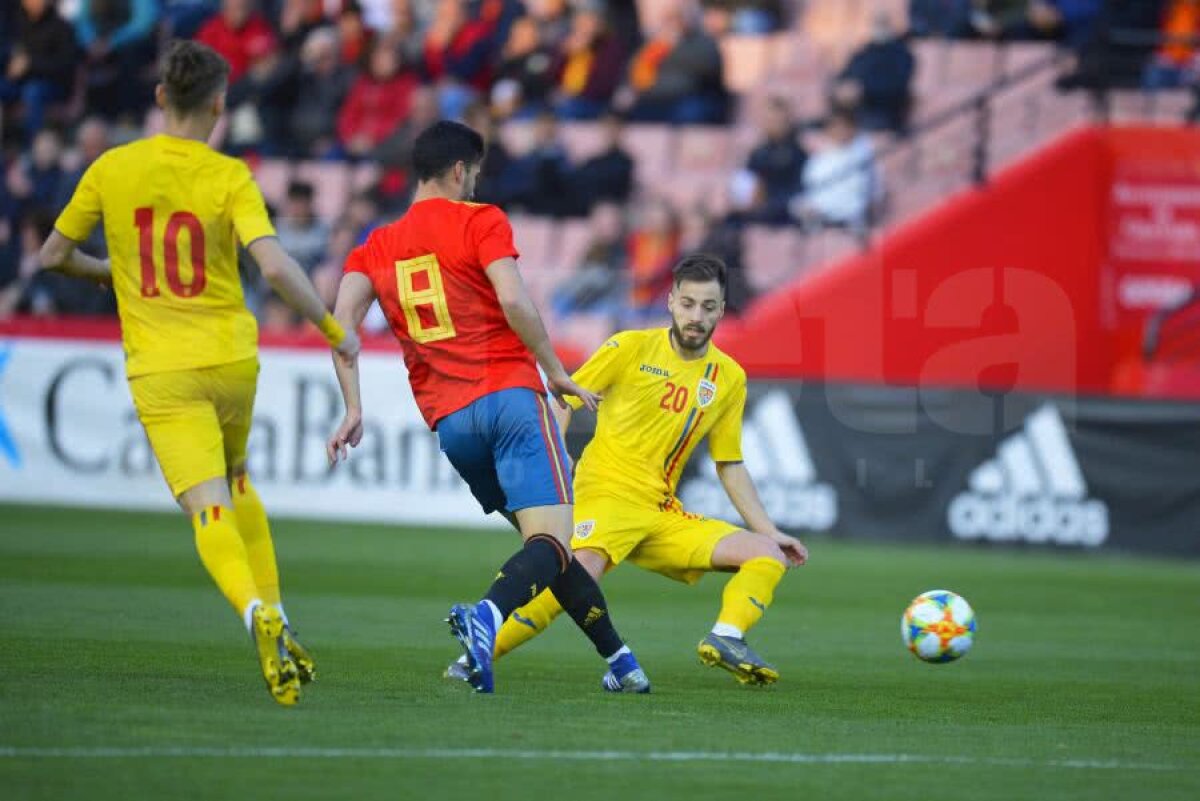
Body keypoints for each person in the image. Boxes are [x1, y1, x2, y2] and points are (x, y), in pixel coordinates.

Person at [37, 40, 361, 707]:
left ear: (161, 97)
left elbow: (50, 256)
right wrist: (334, 329)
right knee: (240, 479)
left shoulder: (112, 167)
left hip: (162, 367)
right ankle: (284, 614)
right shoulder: (228, 175)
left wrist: (112, 273)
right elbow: (273, 267)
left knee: (206, 504)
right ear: (219, 103)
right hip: (232, 359)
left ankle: (256, 614)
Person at [324, 120, 650, 695]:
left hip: (453, 426)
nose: (474, 182)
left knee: (545, 549)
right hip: (509, 399)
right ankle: (487, 616)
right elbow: (514, 299)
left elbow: (340, 327)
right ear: (458, 170)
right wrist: (553, 369)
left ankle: (621, 661)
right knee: (550, 543)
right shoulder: (482, 220)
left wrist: (353, 407)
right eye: (472, 172)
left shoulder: (374, 246)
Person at [447, 254, 808, 686]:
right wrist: (555, 464)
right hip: (606, 497)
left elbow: (729, 463)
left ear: (722, 309)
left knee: (766, 555)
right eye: (688, 303)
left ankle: (726, 637)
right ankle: (474, 659)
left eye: (708, 307)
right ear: (671, 301)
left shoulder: (729, 377)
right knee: (568, 580)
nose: (697, 316)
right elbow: (564, 400)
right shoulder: (630, 347)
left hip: (661, 513)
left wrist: (768, 529)